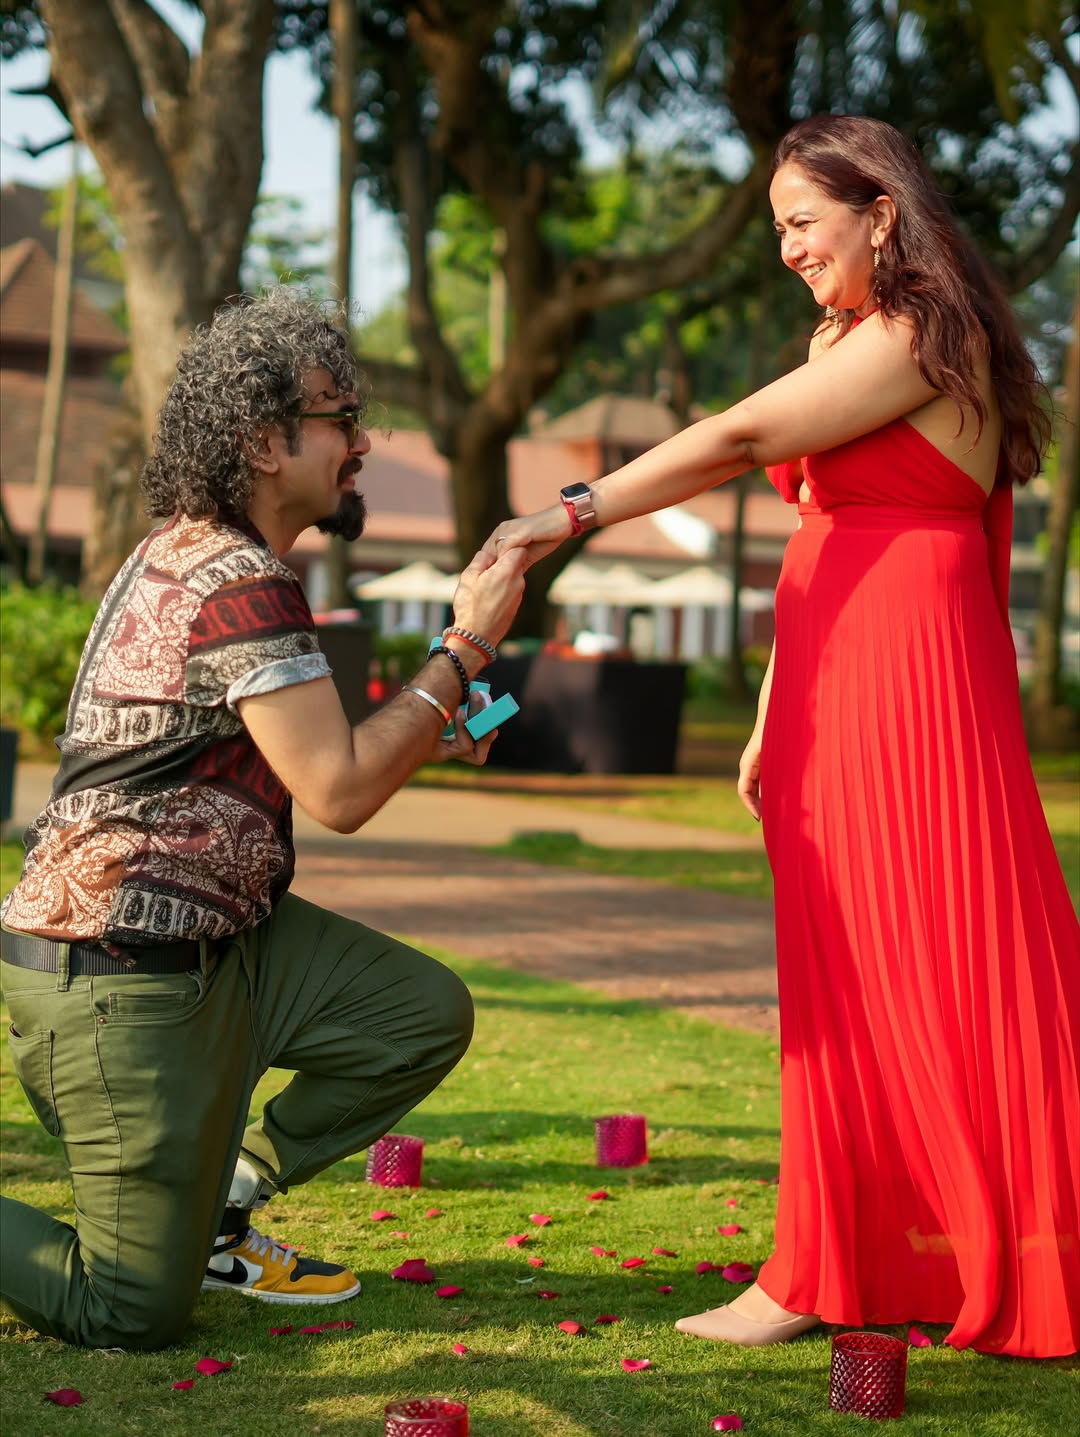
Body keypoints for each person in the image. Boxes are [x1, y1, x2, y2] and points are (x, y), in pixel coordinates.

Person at [483, 115, 1079, 1359]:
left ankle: (896, 1259)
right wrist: (768, 707)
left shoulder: (925, 332)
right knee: (840, 976)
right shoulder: (852, 335)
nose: (790, 251)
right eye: (777, 232)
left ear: (881, 211)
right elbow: (821, 539)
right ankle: (845, 1257)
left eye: (803, 223)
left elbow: (747, 440)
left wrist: (567, 513)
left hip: (910, 676)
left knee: (933, 954)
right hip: (831, 676)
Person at [0, 287, 527, 1350]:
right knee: (131, 1312)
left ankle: (225, 1197)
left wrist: (430, 724)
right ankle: (183, 1228)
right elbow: (336, 793)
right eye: (339, 416)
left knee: (416, 1013)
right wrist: (463, 647)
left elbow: (317, 760)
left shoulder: (203, 555)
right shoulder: (233, 577)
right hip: (117, 982)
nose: (360, 441)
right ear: (261, 439)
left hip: (223, 946)